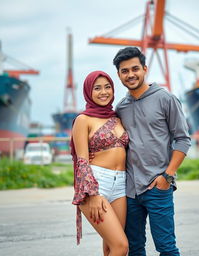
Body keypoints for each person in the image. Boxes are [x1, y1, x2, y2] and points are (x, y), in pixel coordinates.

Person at [113, 47, 191, 256]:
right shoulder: (120, 108)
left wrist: (167, 176)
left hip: (158, 186)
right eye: (124, 71)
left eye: (135, 69)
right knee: (134, 248)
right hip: (129, 190)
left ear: (145, 69)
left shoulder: (166, 99)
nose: (131, 75)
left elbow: (183, 139)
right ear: (119, 75)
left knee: (166, 248)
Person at [70, 70, 129, 256]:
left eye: (107, 87)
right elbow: (82, 161)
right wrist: (93, 194)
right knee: (121, 247)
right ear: (89, 91)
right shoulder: (83, 119)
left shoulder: (117, 118)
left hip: (120, 184)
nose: (103, 92)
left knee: (111, 247)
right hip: (96, 185)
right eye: (97, 88)